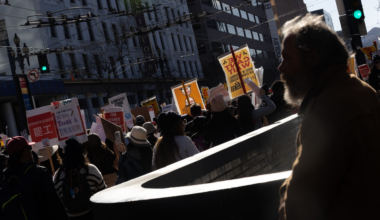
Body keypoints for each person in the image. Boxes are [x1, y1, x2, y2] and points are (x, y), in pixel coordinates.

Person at [277, 14, 380, 220]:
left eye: (287, 58)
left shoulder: (327, 112)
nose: (281, 67)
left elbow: (298, 206)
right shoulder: (362, 91)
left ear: (311, 57)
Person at [0, 136, 68, 220]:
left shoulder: (6, 179)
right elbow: (55, 205)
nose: (31, 152)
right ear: (25, 152)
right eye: (30, 148)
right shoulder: (40, 172)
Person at [53, 139, 106, 220]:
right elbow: (103, 192)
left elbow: (59, 200)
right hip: (93, 215)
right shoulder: (91, 170)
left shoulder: (58, 176)